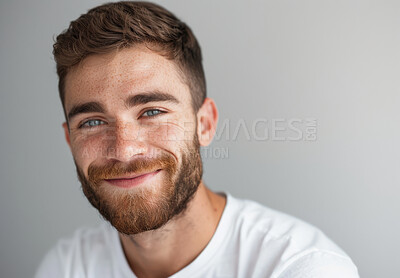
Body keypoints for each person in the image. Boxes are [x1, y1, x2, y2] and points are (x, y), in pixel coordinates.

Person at [35, 2, 360, 277]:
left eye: (151, 112)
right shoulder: (67, 267)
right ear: (69, 139)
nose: (124, 149)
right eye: (92, 122)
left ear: (204, 124)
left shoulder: (300, 267)